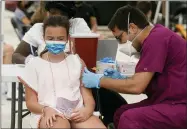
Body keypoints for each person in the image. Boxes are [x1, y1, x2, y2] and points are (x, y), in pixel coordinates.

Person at [81, 5, 187, 129]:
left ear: (132, 28)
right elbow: (148, 85)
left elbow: (136, 86)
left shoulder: (156, 39)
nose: (120, 44)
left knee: (129, 119)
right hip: (168, 101)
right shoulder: (154, 39)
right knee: (120, 114)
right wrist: (119, 79)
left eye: (120, 38)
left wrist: (99, 80)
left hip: (180, 105)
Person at [18, 15, 106, 129]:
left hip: (77, 112)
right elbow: (31, 102)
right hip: (48, 112)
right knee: (60, 126)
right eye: (50, 38)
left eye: (60, 38)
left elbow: (88, 97)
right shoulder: (34, 65)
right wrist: (46, 109)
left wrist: (87, 110)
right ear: (43, 37)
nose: (55, 42)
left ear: (68, 38)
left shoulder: (77, 62)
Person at [12, 1, 91, 64]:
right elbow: (16, 56)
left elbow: (88, 54)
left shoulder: (77, 24)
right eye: (53, 13)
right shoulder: (38, 28)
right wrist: (32, 61)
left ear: (69, 17)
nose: (56, 18)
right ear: (47, 13)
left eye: (62, 15)